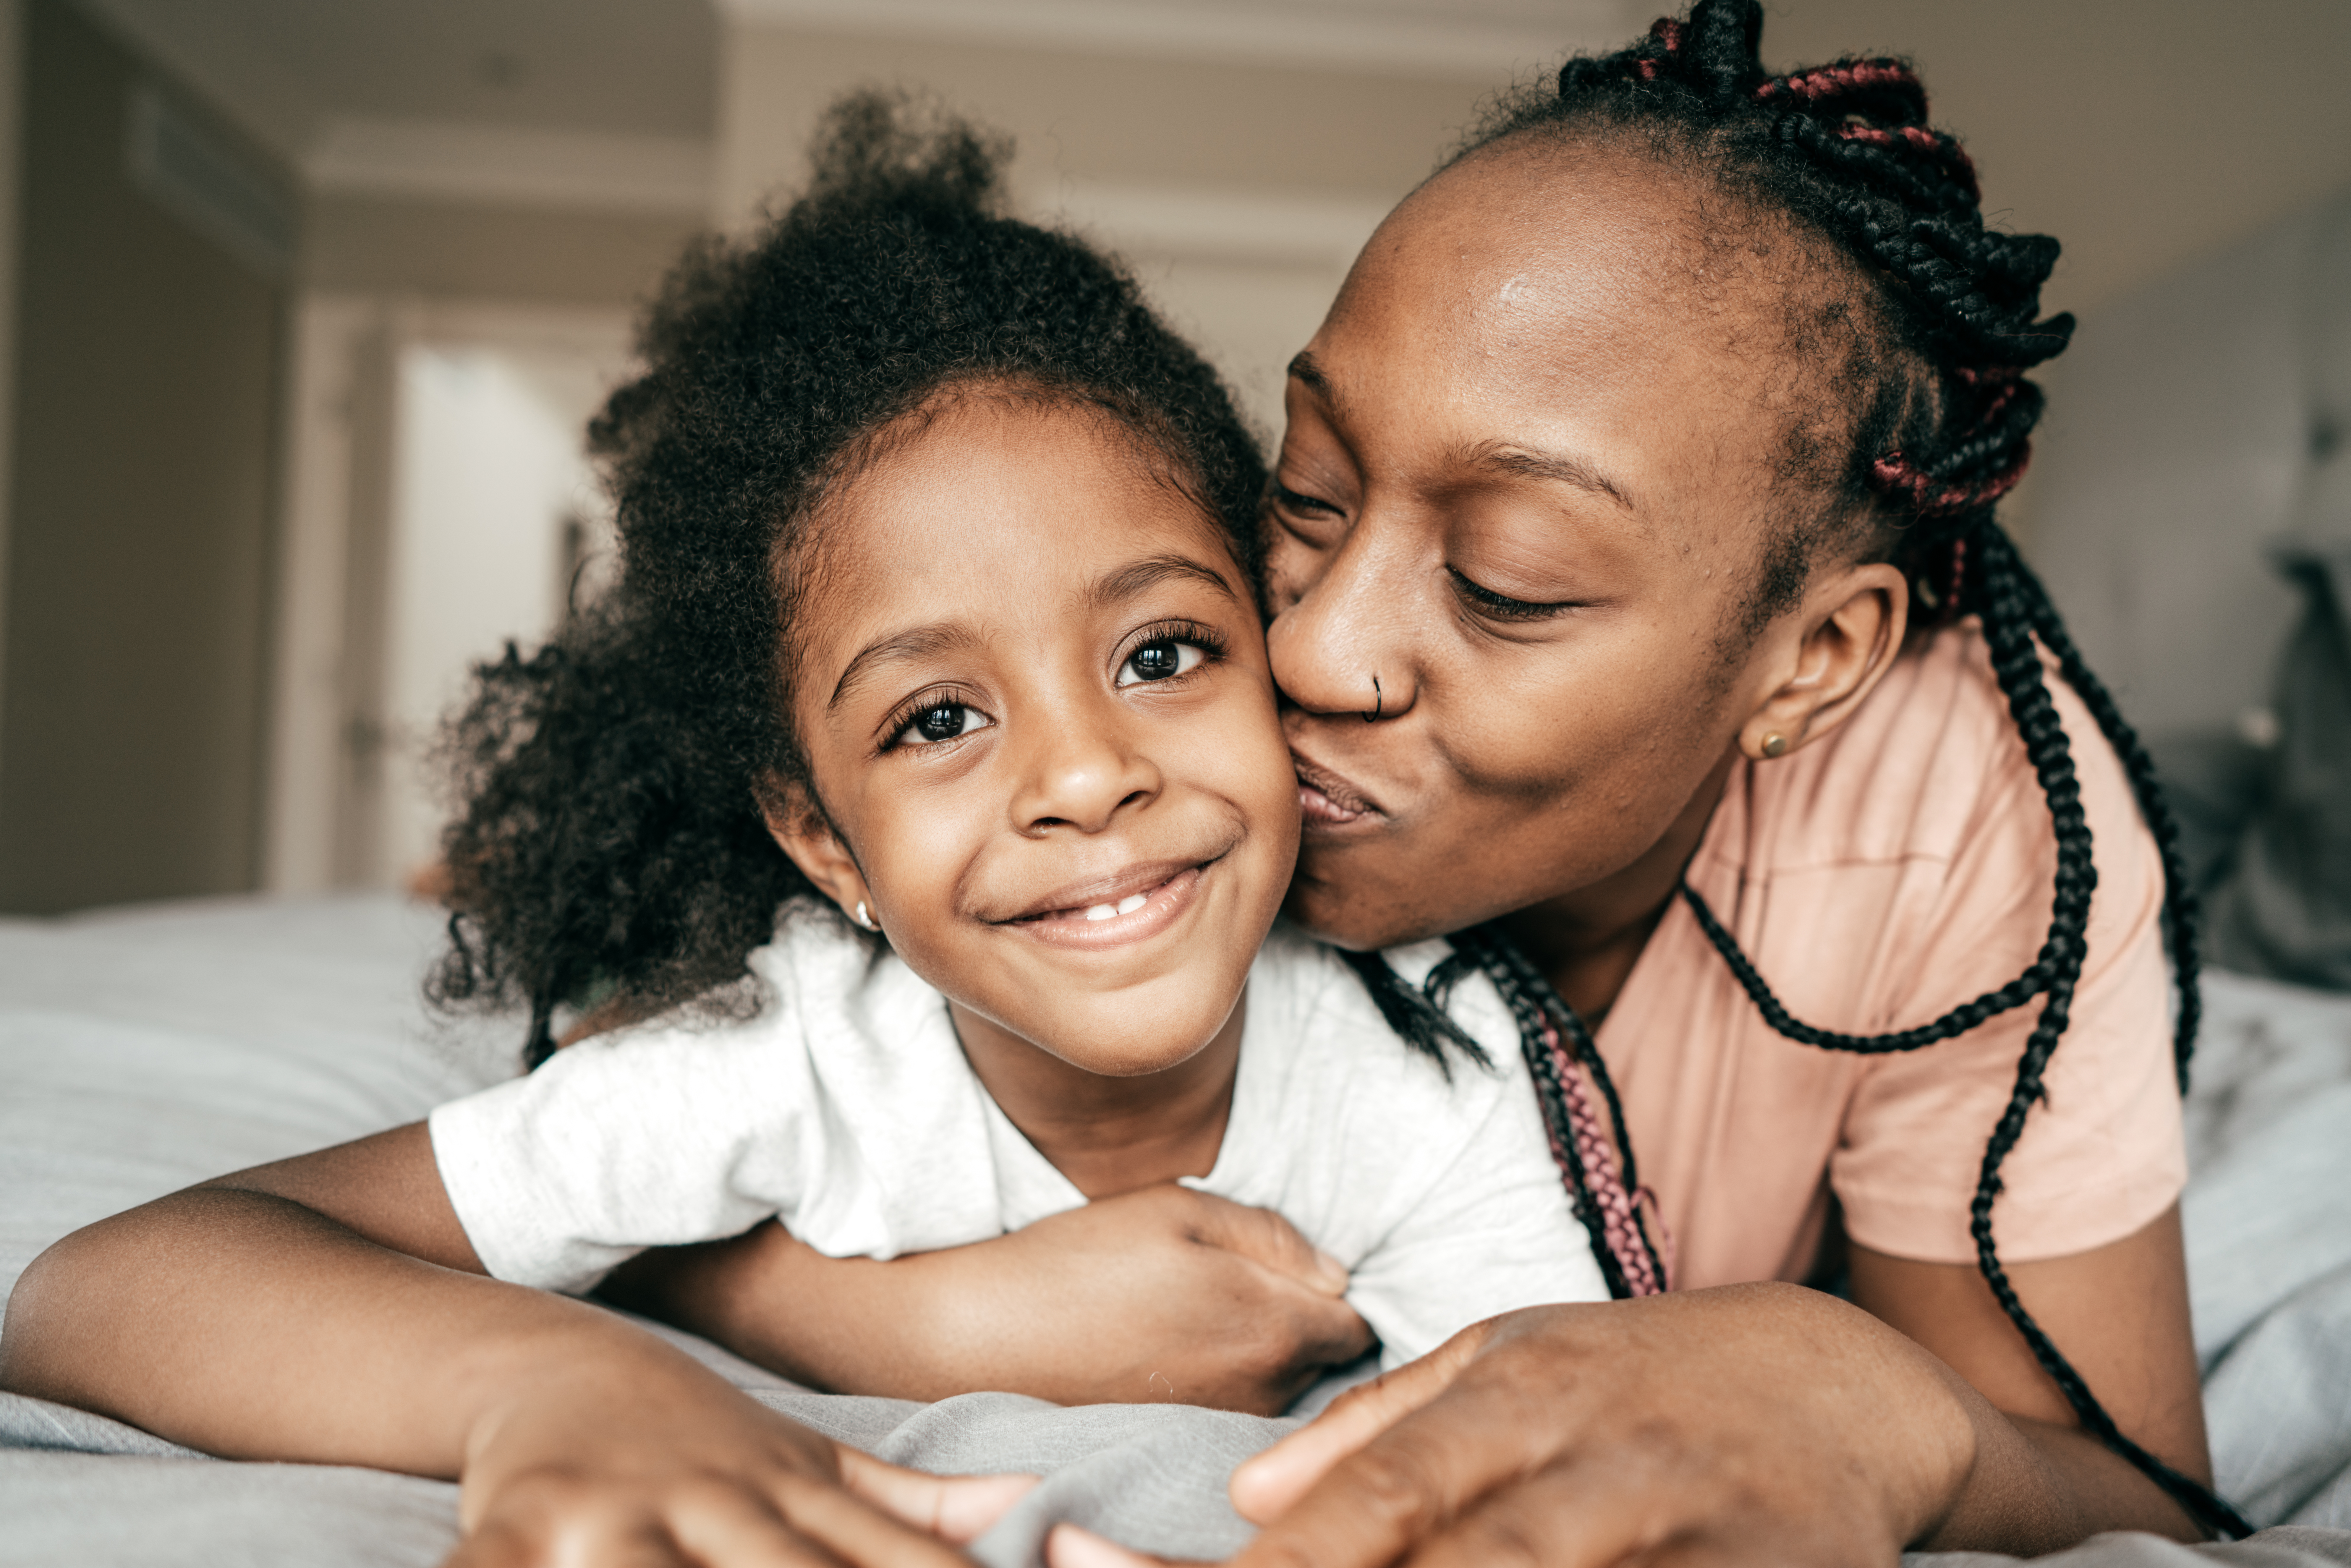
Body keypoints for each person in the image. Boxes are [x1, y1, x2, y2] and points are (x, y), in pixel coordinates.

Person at [629, 5, 2245, 1562]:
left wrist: (1865, 1391)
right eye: (1312, 491)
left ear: (1813, 661)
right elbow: (614, 1116)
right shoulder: (1125, 730)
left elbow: (2134, 1496)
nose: (1318, 648)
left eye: (1510, 579)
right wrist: (895, 1315)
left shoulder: (1966, 821)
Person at [0, 96, 1610, 1565]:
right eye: (937, 719)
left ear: (1273, 656)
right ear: (825, 841)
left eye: (1163, 653)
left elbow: (1571, 1432)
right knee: (590, 981)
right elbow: (93, 1287)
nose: (1087, 775)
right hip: (739, 966)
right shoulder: (790, 1051)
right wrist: (551, 1382)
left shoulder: (1434, 1062)